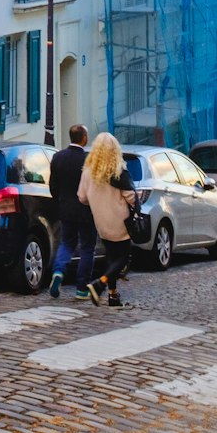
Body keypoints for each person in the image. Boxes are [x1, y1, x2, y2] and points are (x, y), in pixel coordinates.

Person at [78, 131, 137, 307]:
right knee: (123, 258)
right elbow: (131, 197)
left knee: (112, 257)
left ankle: (113, 295)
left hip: (101, 221)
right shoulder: (118, 171)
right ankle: (100, 283)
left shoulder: (88, 172)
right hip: (120, 220)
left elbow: (82, 197)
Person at [48, 124, 97, 301]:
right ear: (84, 138)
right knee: (87, 248)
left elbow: (53, 186)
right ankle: (82, 288)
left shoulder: (57, 157)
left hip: (66, 208)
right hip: (86, 209)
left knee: (66, 243)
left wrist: (60, 201)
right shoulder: (88, 160)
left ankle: (59, 271)